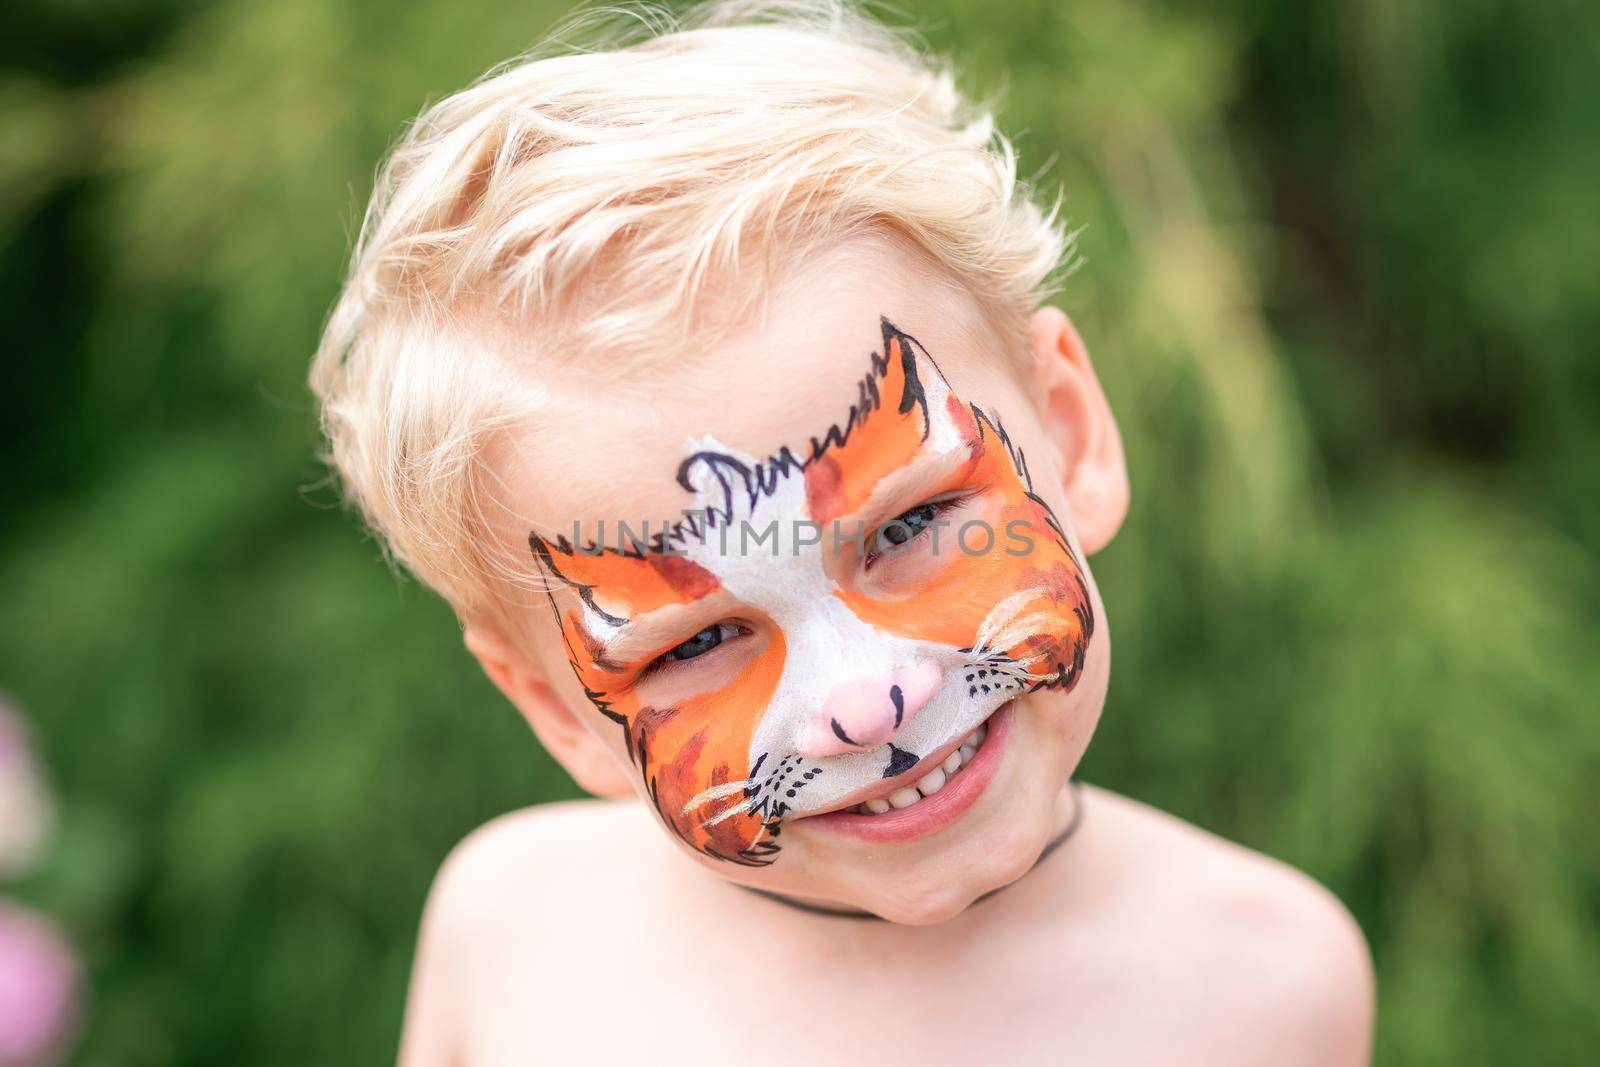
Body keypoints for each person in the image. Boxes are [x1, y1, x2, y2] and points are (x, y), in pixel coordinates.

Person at [309, 2, 1374, 1062]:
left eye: (909, 521)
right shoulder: (514, 933)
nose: (867, 702)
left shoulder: (1265, 984)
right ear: (554, 709)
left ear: (1070, 431)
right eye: (691, 641)